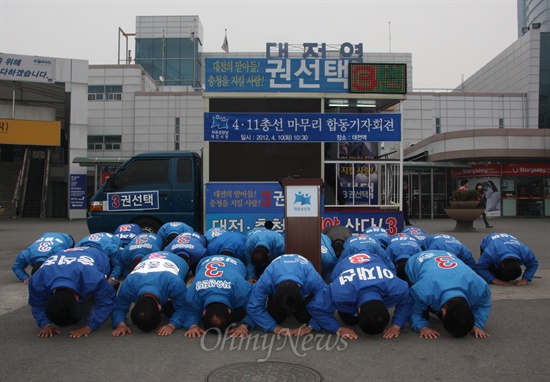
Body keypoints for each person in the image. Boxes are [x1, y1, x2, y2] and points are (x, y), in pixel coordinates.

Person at [307, 251, 412, 339]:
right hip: (344, 263)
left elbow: (407, 300)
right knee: (350, 320)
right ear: (358, 310)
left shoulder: (396, 287)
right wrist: (337, 328)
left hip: (374, 259)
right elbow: (315, 307)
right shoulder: (339, 290)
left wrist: (396, 325)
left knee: (358, 319)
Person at [28, 246, 116, 338]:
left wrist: (90, 326)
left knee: (101, 297)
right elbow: (37, 303)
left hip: (96, 255)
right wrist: (45, 324)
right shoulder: (37, 280)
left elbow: (106, 301)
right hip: (65, 259)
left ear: (77, 298)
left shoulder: (93, 278)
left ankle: (111, 286)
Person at [405, 250, 491, 339]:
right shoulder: (424, 290)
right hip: (417, 260)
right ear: (443, 312)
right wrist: (421, 327)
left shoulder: (480, 286)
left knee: (457, 319)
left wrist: (476, 324)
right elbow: (413, 310)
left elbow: (483, 305)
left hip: (445, 258)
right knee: (422, 312)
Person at [111, 251, 189, 337]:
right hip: (150, 258)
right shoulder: (129, 284)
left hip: (177, 261)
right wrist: (120, 324)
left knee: (171, 311)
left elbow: (184, 307)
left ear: (159, 307)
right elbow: (118, 307)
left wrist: (172, 325)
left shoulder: (174, 283)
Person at [247, 254, 327, 337]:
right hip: (277, 283)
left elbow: (327, 300)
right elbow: (254, 307)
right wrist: (274, 327)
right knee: (275, 317)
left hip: (304, 286)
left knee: (304, 317)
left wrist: (311, 326)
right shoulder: (266, 279)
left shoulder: (311, 277)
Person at [183, 255, 254, 338]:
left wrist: (245, 325)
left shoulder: (242, 289)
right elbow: (189, 309)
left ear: (204, 312)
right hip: (206, 262)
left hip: (234, 263)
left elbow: (257, 304)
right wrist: (192, 325)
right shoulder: (193, 291)